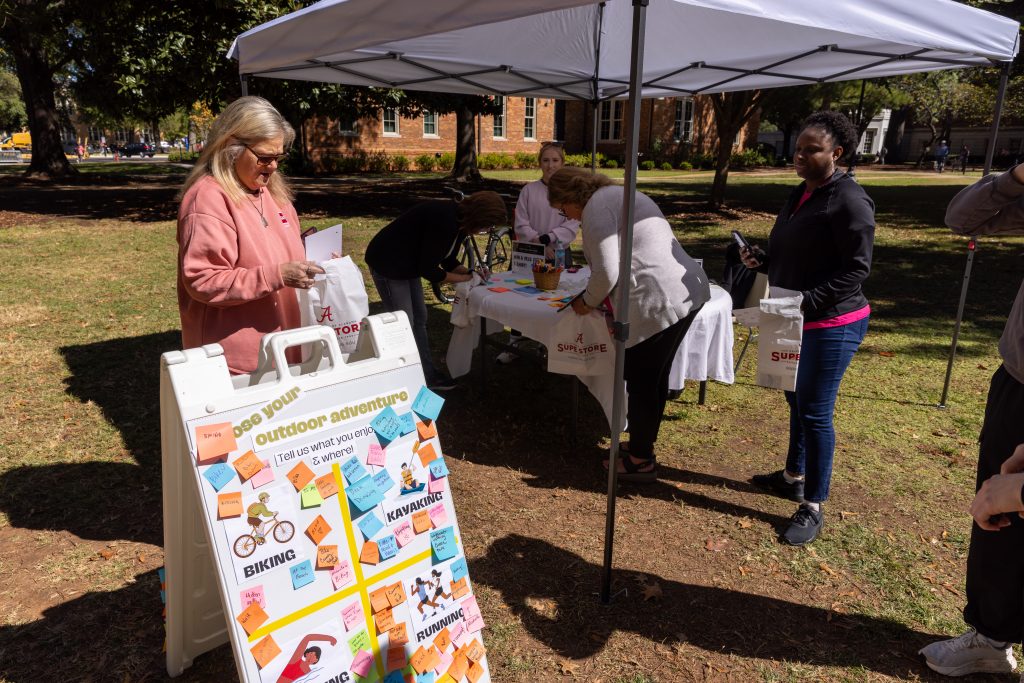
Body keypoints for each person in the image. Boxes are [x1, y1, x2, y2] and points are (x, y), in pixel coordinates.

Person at [743, 111, 874, 546]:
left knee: (815, 411)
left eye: (810, 149)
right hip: (792, 316)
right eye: (798, 148)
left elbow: (857, 269)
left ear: (836, 153)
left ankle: (813, 505)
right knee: (794, 399)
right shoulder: (801, 193)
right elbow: (797, 250)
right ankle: (793, 476)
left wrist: (806, 301)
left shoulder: (850, 200)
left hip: (832, 323)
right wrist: (763, 260)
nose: (799, 155)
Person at [918, 164, 1024, 678]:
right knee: (998, 515)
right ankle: (992, 634)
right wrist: (1017, 176)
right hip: (1019, 384)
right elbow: (962, 218)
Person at [547, 167, 710, 483]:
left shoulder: (596, 207)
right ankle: (641, 446)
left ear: (570, 196)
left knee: (642, 380)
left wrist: (587, 302)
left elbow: (607, 272)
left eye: (562, 208)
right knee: (653, 378)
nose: (566, 216)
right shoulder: (615, 195)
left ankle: (640, 459)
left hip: (660, 298)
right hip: (683, 290)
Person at [177, 96, 323, 375]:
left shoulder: (272, 192)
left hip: (283, 345)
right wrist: (278, 275)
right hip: (238, 360)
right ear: (230, 147)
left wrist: (312, 255)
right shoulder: (207, 198)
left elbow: (273, 249)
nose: (274, 167)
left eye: (279, 158)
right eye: (265, 158)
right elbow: (203, 280)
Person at [364, 191, 507, 390]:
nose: (485, 230)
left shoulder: (459, 221)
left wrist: (471, 272)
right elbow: (430, 271)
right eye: (486, 225)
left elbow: (447, 259)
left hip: (407, 263)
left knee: (419, 318)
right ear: (479, 217)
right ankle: (405, 377)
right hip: (389, 263)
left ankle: (424, 371)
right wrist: (465, 278)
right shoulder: (446, 221)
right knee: (403, 323)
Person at [499, 142, 581, 363]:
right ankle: (514, 342)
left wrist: (552, 239)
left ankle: (553, 344)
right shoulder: (529, 190)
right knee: (521, 296)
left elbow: (573, 223)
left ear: (562, 163)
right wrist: (540, 243)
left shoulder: (569, 191)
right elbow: (521, 223)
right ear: (539, 163)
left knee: (556, 298)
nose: (550, 165)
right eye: (546, 160)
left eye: (555, 160)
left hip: (560, 251)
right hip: (530, 252)